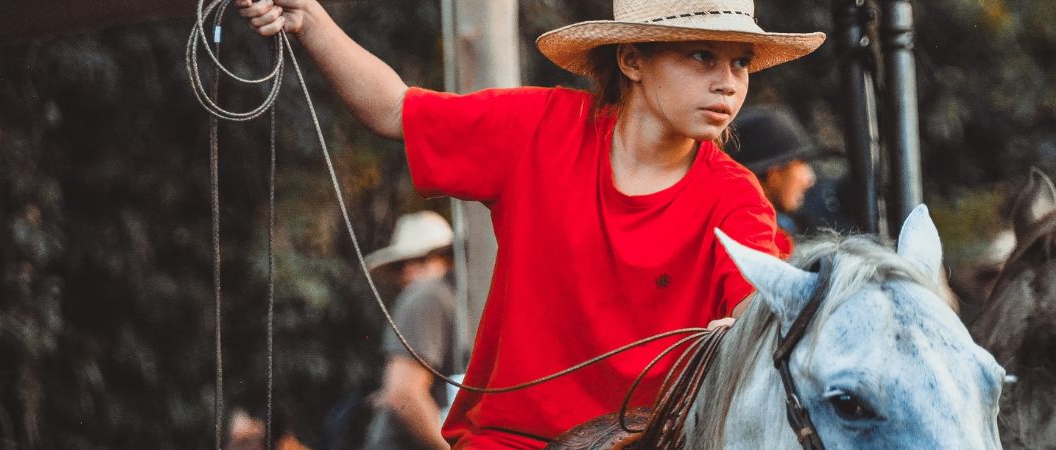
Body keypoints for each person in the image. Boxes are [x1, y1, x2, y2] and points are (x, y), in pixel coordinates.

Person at [234, 0, 826, 447]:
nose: (729, 81)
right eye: (702, 55)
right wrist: (309, 16)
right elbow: (393, 108)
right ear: (631, 59)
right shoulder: (539, 129)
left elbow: (761, 320)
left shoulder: (736, 198)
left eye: (741, 61)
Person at [362, 211, 459, 450]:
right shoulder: (427, 296)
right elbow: (404, 393)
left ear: (448, 260)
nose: (409, 272)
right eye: (402, 266)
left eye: (422, 261)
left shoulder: (442, 298)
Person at [728, 106, 819, 257]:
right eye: (802, 163)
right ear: (774, 175)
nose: (810, 179)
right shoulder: (755, 242)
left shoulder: (782, 228)